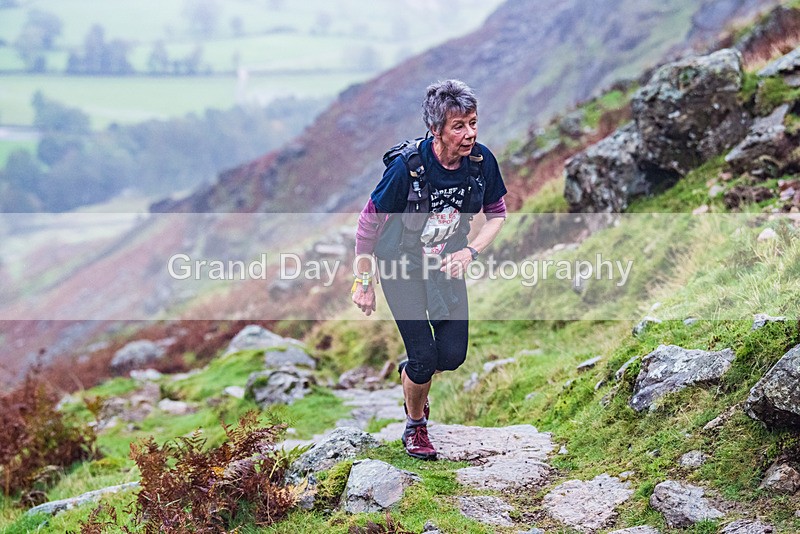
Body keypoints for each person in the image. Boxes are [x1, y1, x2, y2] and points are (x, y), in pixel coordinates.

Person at [352, 79, 507, 460]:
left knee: (451, 357)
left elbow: (497, 215)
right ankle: (416, 425)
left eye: (473, 122)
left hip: (446, 268)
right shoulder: (408, 169)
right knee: (425, 358)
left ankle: (412, 375)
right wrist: (363, 281)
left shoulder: (481, 162)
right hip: (400, 268)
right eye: (459, 126)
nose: (470, 133)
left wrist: (470, 251)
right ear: (435, 130)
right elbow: (368, 224)